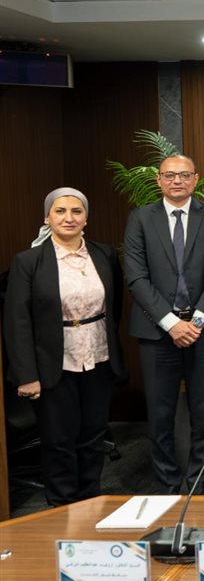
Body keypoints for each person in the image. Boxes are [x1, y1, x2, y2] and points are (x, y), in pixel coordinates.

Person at [4, 188, 126, 505]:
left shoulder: (104, 254)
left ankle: (89, 502)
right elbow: (17, 321)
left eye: (76, 211)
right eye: (60, 211)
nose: (68, 218)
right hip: (52, 365)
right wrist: (26, 375)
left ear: (86, 218)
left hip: (98, 358)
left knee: (93, 436)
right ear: (47, 218)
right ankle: (61, 507)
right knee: (58, 440)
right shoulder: (28, 261)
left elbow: (115, 308)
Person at [125, 155, 204, 494]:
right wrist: (172, 323)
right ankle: (168, 486)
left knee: (203, 412)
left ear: (196, 179)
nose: (177, 181)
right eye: (170, 175)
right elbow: (136, 276)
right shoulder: (140, 218)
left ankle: (199, 486)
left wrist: (197, 320)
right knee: (160, 416)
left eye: (184, 175)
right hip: (156, 333)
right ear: (158, 179)